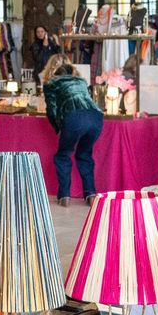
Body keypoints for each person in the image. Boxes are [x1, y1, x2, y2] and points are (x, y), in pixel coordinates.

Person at [43, 54, 103, 206]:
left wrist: (58, 128)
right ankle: (91, 194)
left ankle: (64, 196)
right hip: (96, 117)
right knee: (85, 155)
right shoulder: (81, 81)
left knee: (63, 155)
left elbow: (51, 110)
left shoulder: (51, 83)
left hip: (74, 117)